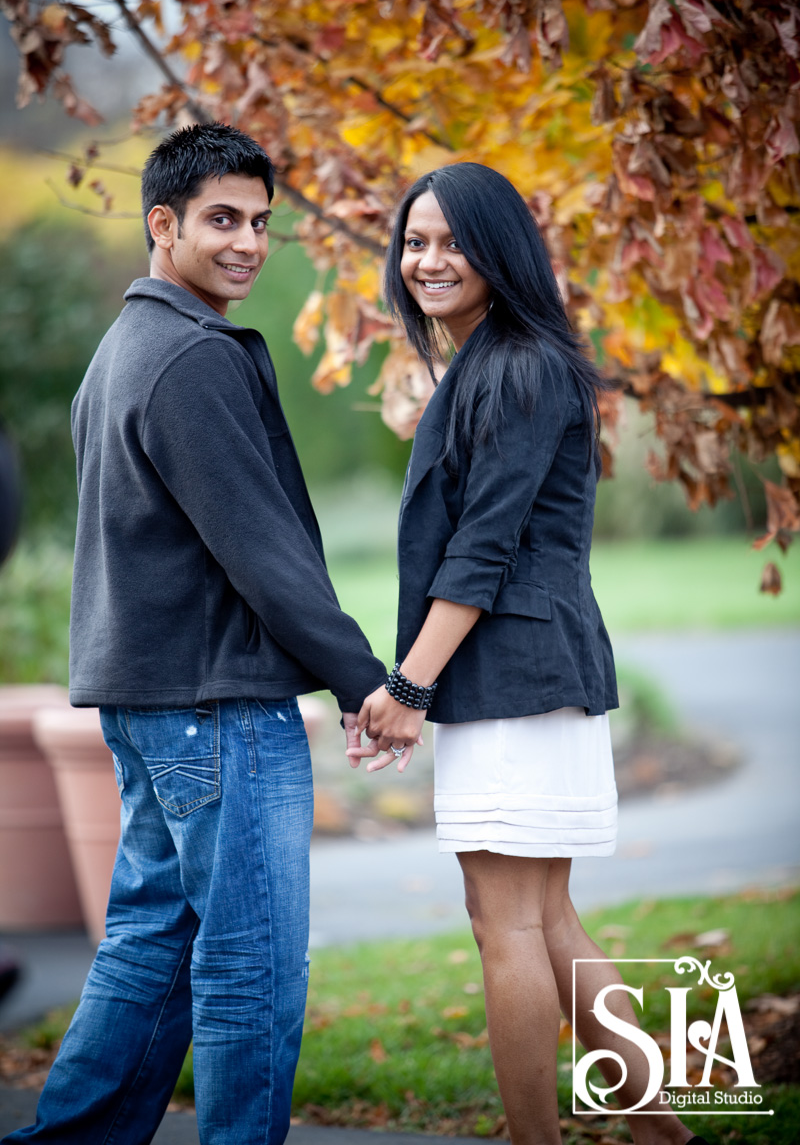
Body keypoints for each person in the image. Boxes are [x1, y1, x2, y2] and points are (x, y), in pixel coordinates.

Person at [3, 122, 386, 1145]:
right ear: (159, 223)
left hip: (153, 704)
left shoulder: (123, 350)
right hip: (215, 710)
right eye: (222, 220)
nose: (249, 243)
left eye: (261, 222)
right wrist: (363, 680)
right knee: (248, 967)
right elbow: (263, 552)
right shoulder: (188, 358)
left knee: (151, 942)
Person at [347, 163, 709, 1145]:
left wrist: (407, 684)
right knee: (542, 923)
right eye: (412, 242)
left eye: (450, 242)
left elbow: (483, 546)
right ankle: (661, 1132)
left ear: (498, 249)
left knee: (504, 926)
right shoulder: (501, 360)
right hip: (525, 670)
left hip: (513, 672)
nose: (426, 260)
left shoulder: (515, 365)